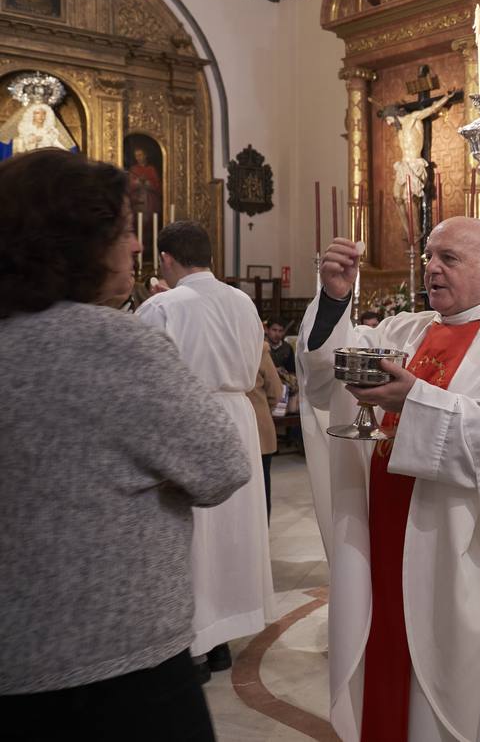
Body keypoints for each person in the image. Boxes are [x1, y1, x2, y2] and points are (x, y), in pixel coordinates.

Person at [300, 217, 480, 742]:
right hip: (386, 539)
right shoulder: (410, 330)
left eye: (449, 259)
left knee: (454, 696)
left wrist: (414, 399)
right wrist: (332, 298)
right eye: (429, 257)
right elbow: (330, 367)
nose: (432, 268)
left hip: (461, 554)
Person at [0, 149, 249, 737]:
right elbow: (220, 467)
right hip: (117, 663)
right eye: (122, 229)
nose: (137, 246)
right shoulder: (112, 341)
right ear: (76, 241)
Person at [138, 220, 274, 680]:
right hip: (238, 417)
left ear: (167, 260)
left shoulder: (162, 305)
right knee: (233, 533)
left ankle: (195, 647)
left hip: (188, 418)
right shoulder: (243, 301)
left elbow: (144, 371)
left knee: (194, 536)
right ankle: (222, 641)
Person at [247, 340, 284, 520]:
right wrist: (265, 408)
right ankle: (262, 532)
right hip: (258, 422)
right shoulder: (256, 347)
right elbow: (275, 390)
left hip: (224, 423)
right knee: (262, 484)